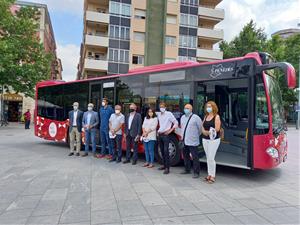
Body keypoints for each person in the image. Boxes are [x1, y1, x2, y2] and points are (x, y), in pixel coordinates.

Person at [180, 104, 202, 178]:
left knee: (195, 157)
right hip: (184, 140)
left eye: (188, 108)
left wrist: (195, 136)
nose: (186, 109)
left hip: (193, 141)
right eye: (185, 108)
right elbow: (182, 128)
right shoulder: (182, 117)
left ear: (191, 109)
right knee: (185, 156)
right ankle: (187, 169)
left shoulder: (196, 118)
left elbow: (200, 129)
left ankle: (196, 172)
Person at [201, 101, 221, 184]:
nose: (208, 108)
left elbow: (217, 129)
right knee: (208, 157)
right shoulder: (206, 116)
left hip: (214, 140)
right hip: (205, 139)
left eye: (210, 106)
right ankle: (209, 174)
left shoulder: (216, 117)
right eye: (207, 107)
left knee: (211, 158)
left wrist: (208, 132)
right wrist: (203, 131)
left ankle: (213, 175)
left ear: (213, 107)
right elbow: (202, 126)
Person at [157, 102, 178, 174]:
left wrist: (170, 131)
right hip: (160, 134)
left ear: (165, 107)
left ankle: (167, 168)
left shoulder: (169, 114)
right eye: (160, 106)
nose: (161, 108)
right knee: (162, 151)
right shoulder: (159, 114)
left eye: (163, 106)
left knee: (166, 151)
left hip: (166, 135)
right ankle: (164, 165)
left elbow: (176, 122)